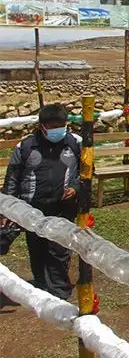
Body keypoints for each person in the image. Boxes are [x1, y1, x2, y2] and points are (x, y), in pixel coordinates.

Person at [1, 103, 81, 300]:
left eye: (61, 125)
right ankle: (41, 286)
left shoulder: (75, 144)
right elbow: (13, 178)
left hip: (63, 207)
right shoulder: (26, 147)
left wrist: (75, 187)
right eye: (53, 126)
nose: (57, 130)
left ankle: (59, 292)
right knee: (37, 247)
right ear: (42, 126)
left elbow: (86, 172)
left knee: (59, 249)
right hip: (32, 208)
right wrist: (7, 209)